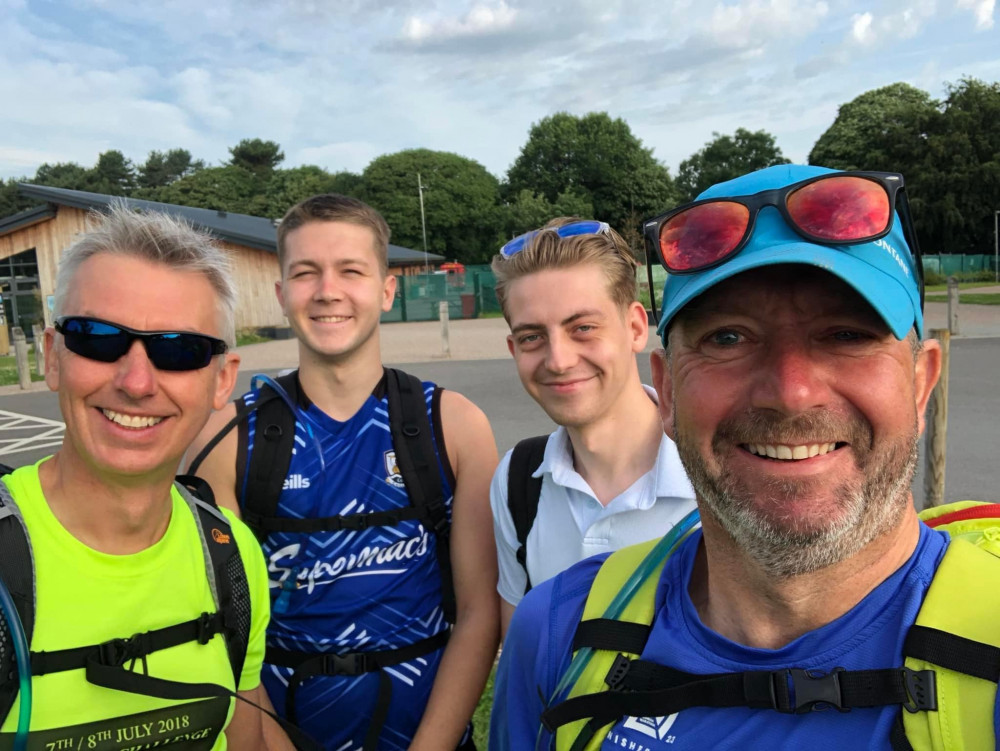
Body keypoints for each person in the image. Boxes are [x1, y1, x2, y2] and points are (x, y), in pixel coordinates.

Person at [490, 165, 1000, 750]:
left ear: (920, 380)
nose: (790, 393)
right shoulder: (556, 632)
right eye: (727, 338)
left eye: (846, 335)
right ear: (670, 391)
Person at [188, 194, 499, 750]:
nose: (328, 290)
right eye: (306, 273)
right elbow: (228, 639)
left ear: (385, 290)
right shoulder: (229, 442)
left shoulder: (452, 426)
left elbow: (479, 614)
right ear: (283, 295)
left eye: (350, 271)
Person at [0, 205, 281, 749]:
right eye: (98, 338)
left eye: (179, 350)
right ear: (54, 356)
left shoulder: (229, 553)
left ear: (222, 382)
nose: (135, 381)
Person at [489, 219, 695, 636]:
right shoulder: (516, 479)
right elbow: (526, 654)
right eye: (532, 337)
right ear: (513, 349)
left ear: (636, 328)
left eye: (582, 328)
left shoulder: (717, 470)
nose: (559, 360)